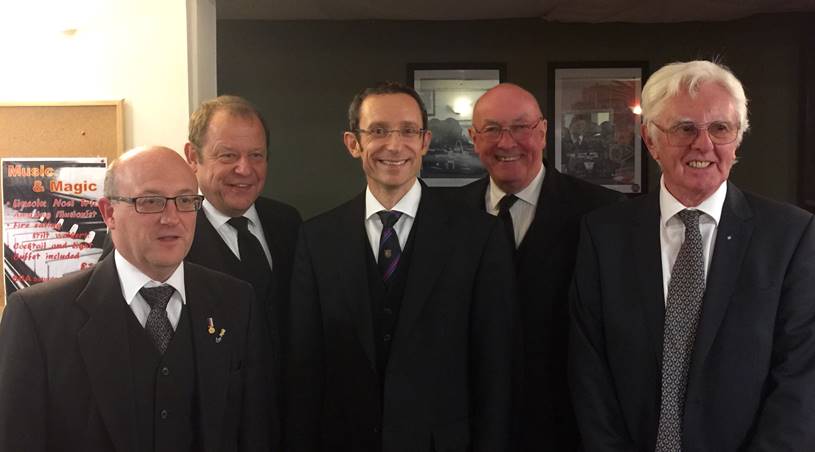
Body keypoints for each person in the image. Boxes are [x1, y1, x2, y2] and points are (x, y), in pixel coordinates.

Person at [570, 60, 815, 450]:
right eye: (685, 128)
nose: (703, 145)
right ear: (650, 140)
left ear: (737, 139)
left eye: (720, 128)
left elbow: (801, 377)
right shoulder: (604, 234)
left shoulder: (790, 236)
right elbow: (589, 370)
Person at [284, 82, 516, 452]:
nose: (394, 145)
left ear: (424, 142)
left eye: (408, 131)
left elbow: (495, 369)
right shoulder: (316, 239)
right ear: (352, 143)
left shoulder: (480, 236)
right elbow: (304, 369)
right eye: (377, 131)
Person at [0, 146, 273, 451]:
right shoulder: (38, 317)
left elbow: (254, 433)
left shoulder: (236, 302)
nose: (172, 218)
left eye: (185, 201)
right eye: (150, 202)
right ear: (109, 213)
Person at [456, 83, 621, 451]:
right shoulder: (445, 216)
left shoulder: (603, 214)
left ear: (543, 133)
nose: (507, 142)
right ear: (473, 138)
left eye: (520, 127)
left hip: (566, 429)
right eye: (492, 129)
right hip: (470, 427)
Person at [183, 95, 302, 349]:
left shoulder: (288, 223)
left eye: (256, 155)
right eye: (228, 156)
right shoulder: (174, 234)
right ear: (193, 157)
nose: (245, 169)